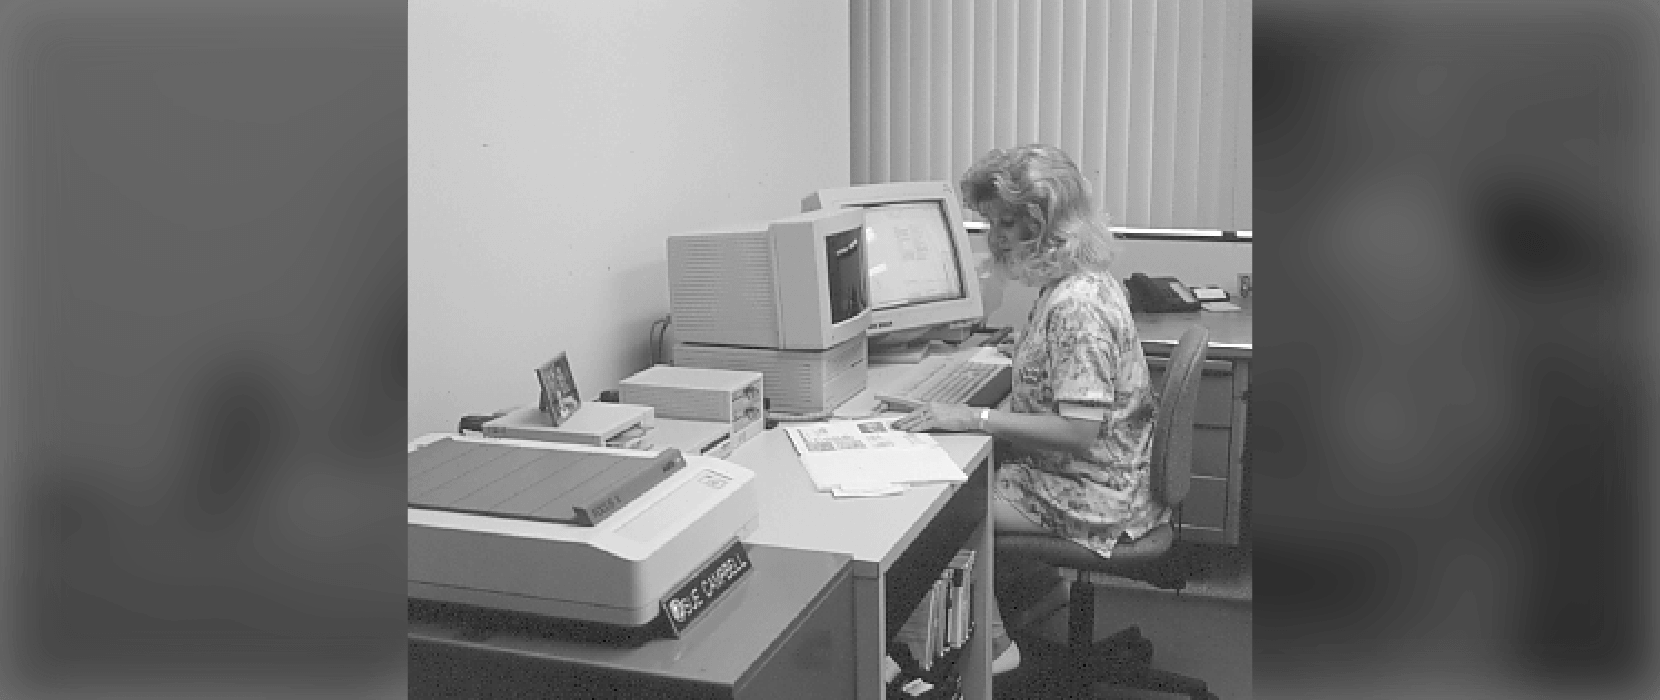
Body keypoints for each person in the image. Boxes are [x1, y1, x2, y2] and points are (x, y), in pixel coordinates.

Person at [892, 144, 1169, 675]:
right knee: (974, 473)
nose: (992, 239)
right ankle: (1036, 600)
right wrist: (1016, 360)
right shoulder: (1077, 283)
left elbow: (1079, 428)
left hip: (1099, 493)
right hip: (1109, 476)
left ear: (1041, 223)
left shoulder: (1075, 306)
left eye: (1004, 223)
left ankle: (995, 650)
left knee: (946, 509)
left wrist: (971, 417)